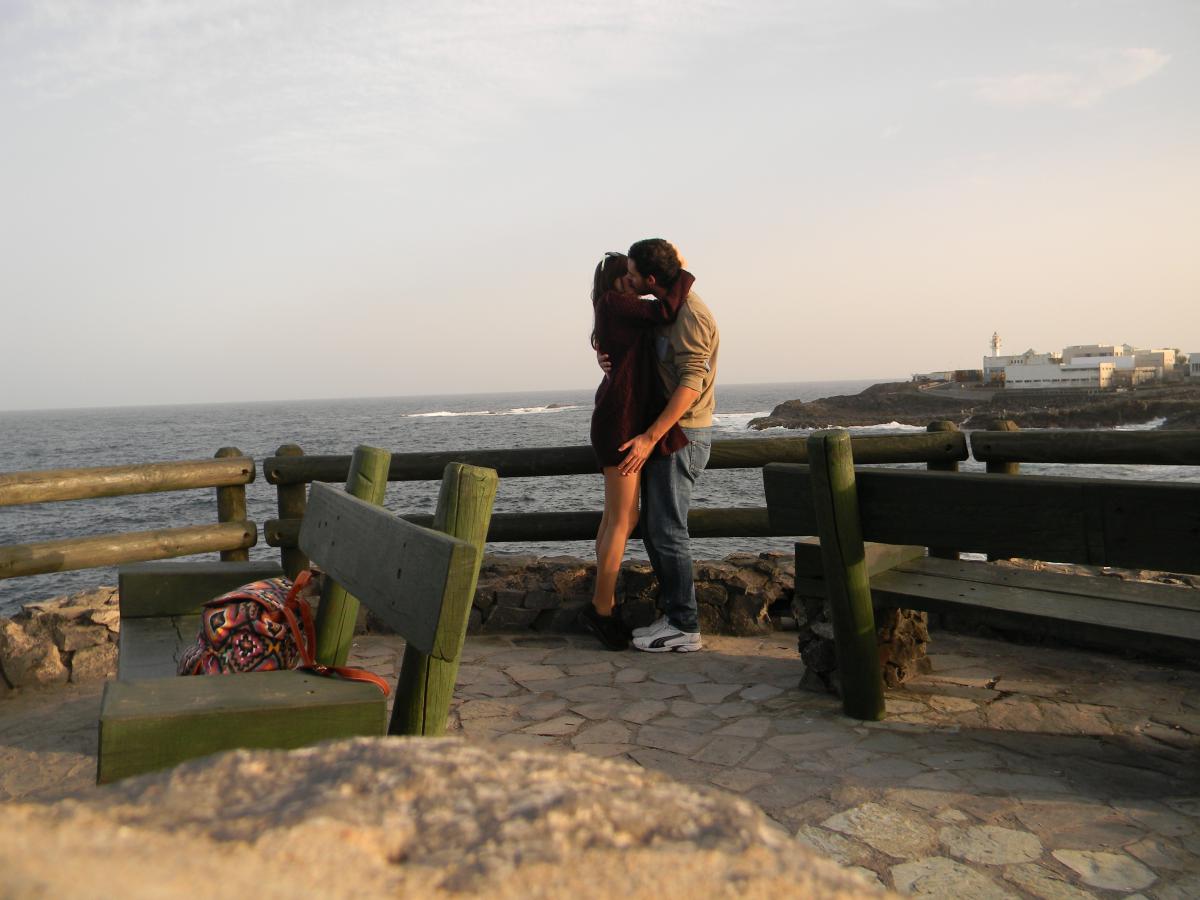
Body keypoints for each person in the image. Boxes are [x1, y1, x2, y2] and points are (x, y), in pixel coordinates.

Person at [604, 239, 719, 653]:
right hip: (668, 433)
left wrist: (651, 437)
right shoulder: (666, 303)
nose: (628, 281)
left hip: (681, 434)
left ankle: (685, 626)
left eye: (633, 275)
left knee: (669, 531)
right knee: (657, 529)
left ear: (651, 278)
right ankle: (673, 617)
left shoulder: (689, 313)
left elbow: (692, 382)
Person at [582, 251, 690, 651]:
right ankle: (601, 609)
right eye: (623, 275)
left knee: (619, 518)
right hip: (621, 424)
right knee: (621, 521)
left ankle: (603, 603)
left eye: (632, 274)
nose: (630, 280)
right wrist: (681, 269)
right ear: (611, 283)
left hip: (620, 418)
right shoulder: (615, 304)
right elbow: (667, 309)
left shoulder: (617, 308)